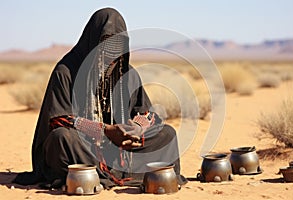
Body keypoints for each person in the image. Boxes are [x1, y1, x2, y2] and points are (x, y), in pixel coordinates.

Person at [13, 7, 187, 189]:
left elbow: (147, 113)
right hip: (85, 147)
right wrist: (105, 130)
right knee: (61, 139)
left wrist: (136, 128)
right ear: (92, 41)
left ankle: (120, 174)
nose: (111, 53)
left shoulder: (127, 73)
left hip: (122, 150)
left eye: (117, 46)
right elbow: (58, 120)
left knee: (167, 134)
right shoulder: (66, 71)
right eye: (105, 45)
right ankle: (87, 176)